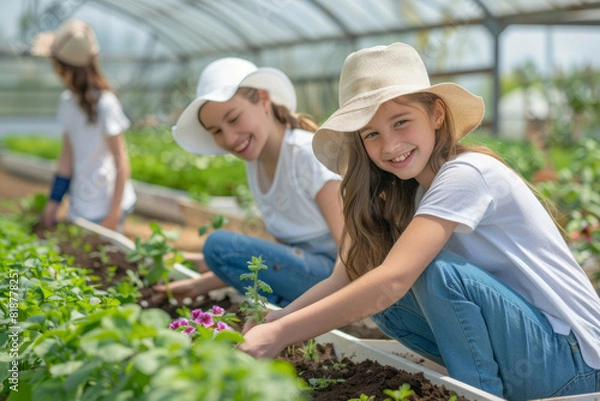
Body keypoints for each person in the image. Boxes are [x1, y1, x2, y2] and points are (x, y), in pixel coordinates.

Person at [239, 42, 600, 400]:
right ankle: (479, 384)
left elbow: (394, 280)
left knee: (422, 272)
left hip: (573, 362)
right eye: (372, 133)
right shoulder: (412, 193)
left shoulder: (467, 174)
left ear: (437, 115)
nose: (390, 144)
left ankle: (476, 394)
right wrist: (275, 322)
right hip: (530, 354)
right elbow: (346, 275)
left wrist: (282, 335)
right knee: (371, 278)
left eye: (401, 122)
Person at [154, 57, 343, 307]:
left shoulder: (307, 155)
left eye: (234, 119)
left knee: (218, 245)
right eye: (217, 131)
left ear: (264, 100)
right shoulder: (256, 165)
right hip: (315, 276)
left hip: (341, 278)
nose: (230, 138)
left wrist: (290, 318)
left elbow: (354, 254)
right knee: (220, 252)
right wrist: (197, 285)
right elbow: (287, 258)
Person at [31, 19, 136, 232]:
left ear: (64, 67)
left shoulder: (106, 104)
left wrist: (113, 215)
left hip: (106, 206)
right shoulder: (68, 103)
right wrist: (54, 202)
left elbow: (121, 161)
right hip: (81, 207)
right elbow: (66, 157)